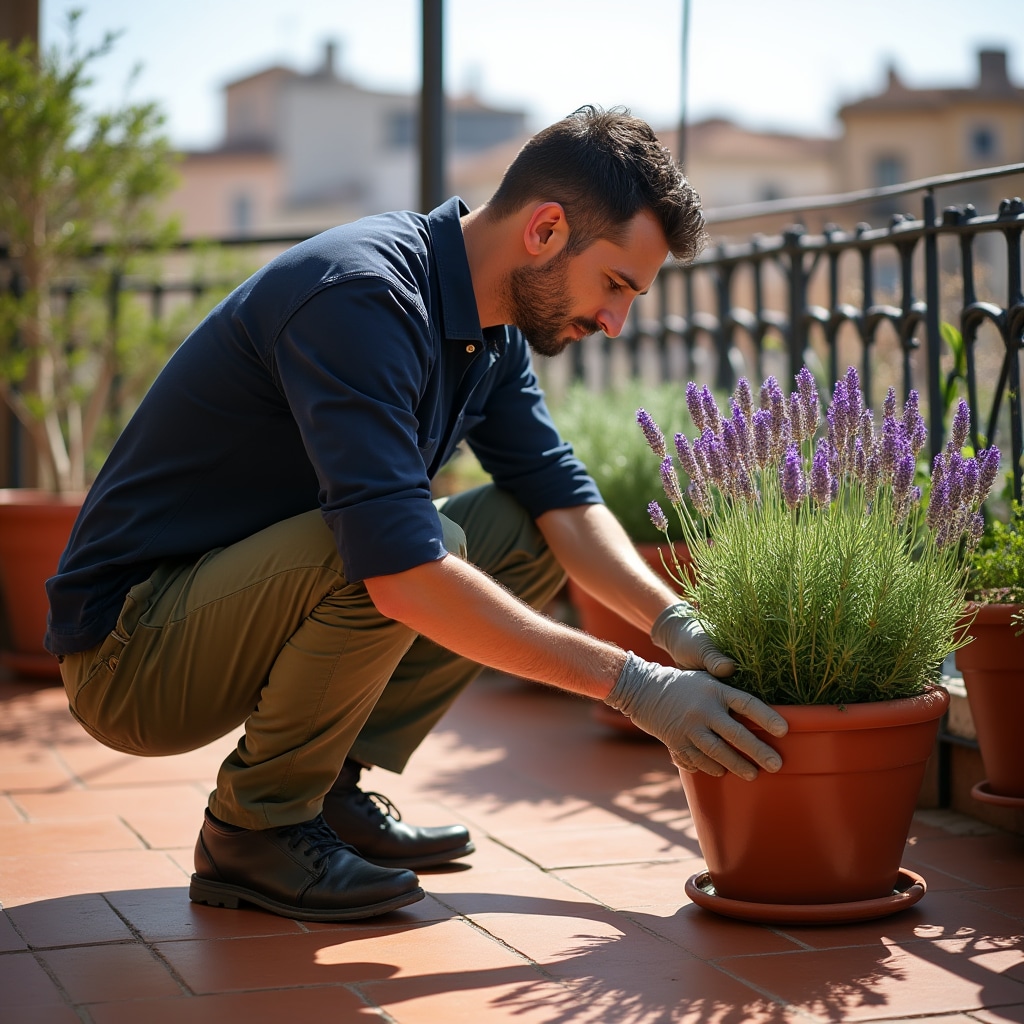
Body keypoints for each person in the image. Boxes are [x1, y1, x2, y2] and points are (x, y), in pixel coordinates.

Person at [46, 105, 788, 924]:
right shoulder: (361, 296)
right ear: (544, 230)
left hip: (229, 609)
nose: (616, 322)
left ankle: (327, 788)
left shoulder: (492, 331)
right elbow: (400, 574)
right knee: (405, 546)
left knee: (517, 521)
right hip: (135, 654)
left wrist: (680, 629)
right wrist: (637, 687)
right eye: (616, 284)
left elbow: (563, 501)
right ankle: (257, 829)